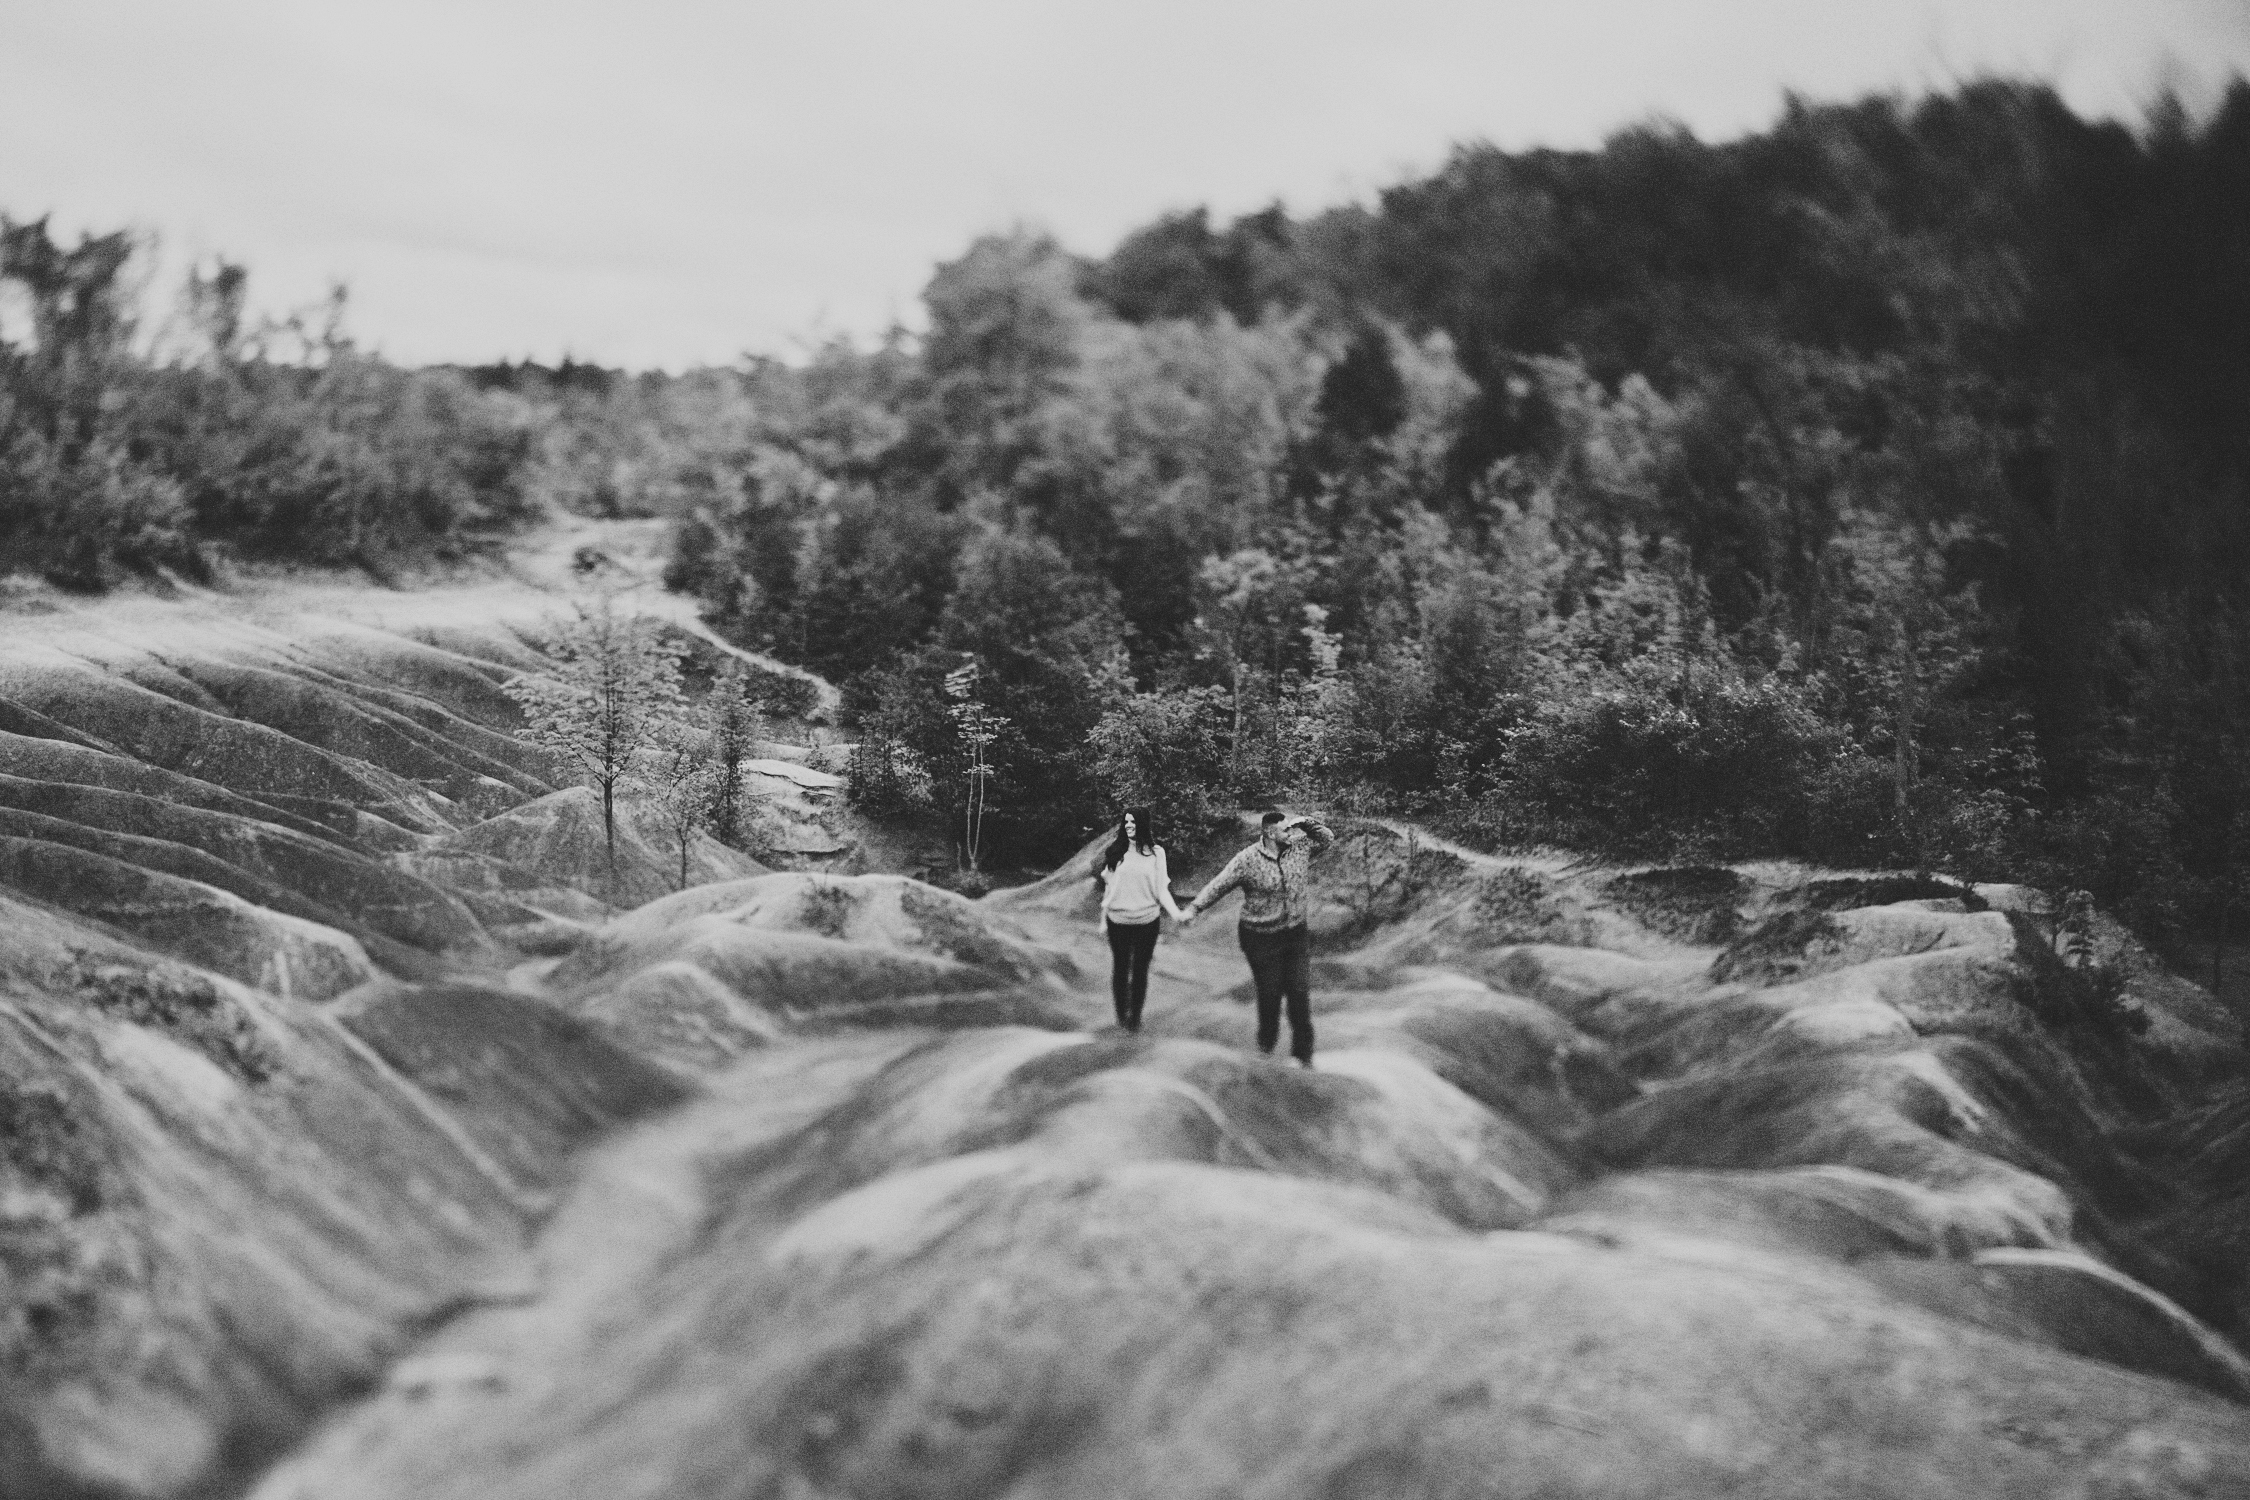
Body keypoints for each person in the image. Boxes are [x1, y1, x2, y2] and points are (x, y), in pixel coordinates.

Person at [1180, 809, 1334, 1066]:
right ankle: (1266, 1050)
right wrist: (1195, 908)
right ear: (1269, 833)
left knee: (1298, 992)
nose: (1291, 833)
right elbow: (1220, 883)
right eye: (1285, 829)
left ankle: (1304, 1056)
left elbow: (1327, 839)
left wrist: (1305, 822)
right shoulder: (1247, 859)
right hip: (1260, 937)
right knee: (1270, 994)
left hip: (1294, 933)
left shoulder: (1299, 847)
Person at [1091, 806, 1184, 1032]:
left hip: (1147, 921)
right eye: (1126, 822)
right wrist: (1104, 919)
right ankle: (1122, 1015)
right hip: (1118, 920)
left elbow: (1162, 889)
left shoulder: (1156, 853)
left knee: (1140, 970)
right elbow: (1110, 889)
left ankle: (1135, 1019)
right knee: (1121, 968)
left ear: (1143, 824)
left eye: (1133, 822)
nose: (1129, 825)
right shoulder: (1116, 851)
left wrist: (1176, 913)